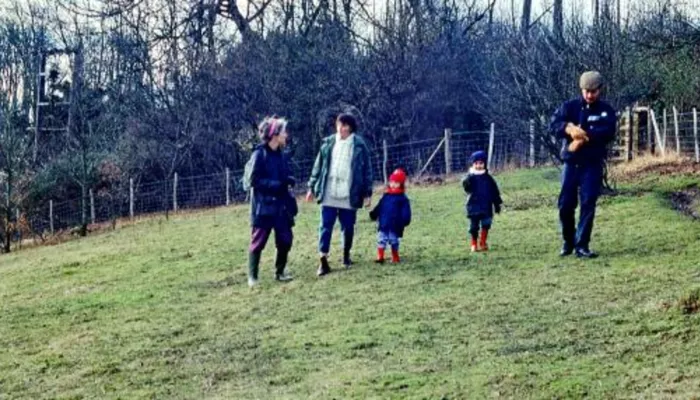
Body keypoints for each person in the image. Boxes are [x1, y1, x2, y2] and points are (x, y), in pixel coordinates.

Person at [550, 71, 617, 258]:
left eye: (593, 91)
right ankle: (568, 242)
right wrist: (568, 129)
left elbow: (609, 132)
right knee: (565, 204)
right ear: (581, 89)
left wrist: (585, 137)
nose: (590, 95)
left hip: (592, 164)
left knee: (588, 203)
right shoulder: (569, 107)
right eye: (586, 91)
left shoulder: (606, 110)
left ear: (600, 90)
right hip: (571, 164)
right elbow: (553, 125)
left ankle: (582, 245)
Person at [306, 113, 374, 276]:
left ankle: (346, 254)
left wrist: (367, 193)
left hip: (349, 193)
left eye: (345, 125)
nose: (341, 128)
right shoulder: (328, 143)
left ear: (351, 127)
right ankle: (323, 259)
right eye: (339, 125)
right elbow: (318, 166)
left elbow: (367, 170)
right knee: (325, 226)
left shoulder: (359, 145)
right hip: (329, 191)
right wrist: (311, 187)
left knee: (348, 227)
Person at [245, 116, 297, 287]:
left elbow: (283, 175)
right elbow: (253, 181)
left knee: (285, 239)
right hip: (263, 207)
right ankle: (253, 276)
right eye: (283, 132)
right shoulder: (259, 155)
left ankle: (280, 271)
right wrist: (277, 184)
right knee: (258, 242)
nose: (286, 135)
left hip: (281, 206)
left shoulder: (282, 155)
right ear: (274, 134)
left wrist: (288, 179)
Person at [461, 151, 502, 253]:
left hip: (486, 205)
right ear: (473, 164)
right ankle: (474, 243)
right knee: (474, 227)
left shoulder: (488, 178)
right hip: (473, 206)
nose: (479, 166)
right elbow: (467, 189)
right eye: (476, 163)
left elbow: (494, 191)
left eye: (481, 163)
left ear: (484, 164)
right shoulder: (470, 177)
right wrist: (466, 182)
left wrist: (497, 204)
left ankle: (483, 242)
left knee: (486, 223)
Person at [369, 169, 412, 264]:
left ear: (401, 184)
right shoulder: (386, 196)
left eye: (396, 182)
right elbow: (380, 206)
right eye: (391, 182)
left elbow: (406, 212)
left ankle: (395, 256)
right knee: (381, 239)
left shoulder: (403, 199)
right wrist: (374, 213)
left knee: (394, 240)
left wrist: (405, 220)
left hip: (395, 224)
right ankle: (380, 256)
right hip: (384, 223)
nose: (393, 184)